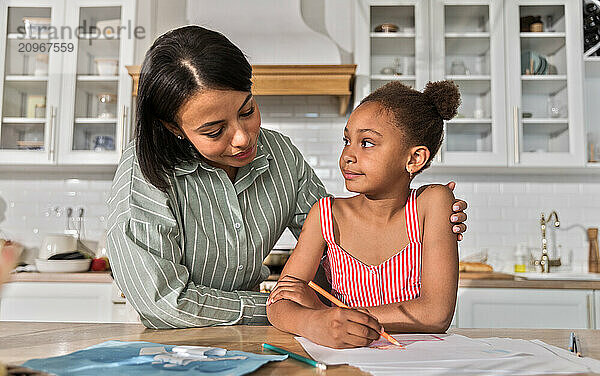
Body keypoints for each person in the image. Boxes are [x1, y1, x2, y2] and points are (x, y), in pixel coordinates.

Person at [106, 25, 468, 329]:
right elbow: (164, 302)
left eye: (247, 110)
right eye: (215, 130)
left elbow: (338, 244)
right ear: (175, 128)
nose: (243, 138)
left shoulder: (279, 154)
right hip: (176, 345)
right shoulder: (144, 171)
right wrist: (289, 313)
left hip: (264, 339)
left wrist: (422, 223)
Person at [266, 81, 461, 348]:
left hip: (416, 366)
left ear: (414, 159)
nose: (348, 155)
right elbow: (278, 303)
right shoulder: (326, 214)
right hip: (345, 364)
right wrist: (313, 323)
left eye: (367, 143)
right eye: (347, 141)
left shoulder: (433, 202)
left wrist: (331, 316)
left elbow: (436, 314)